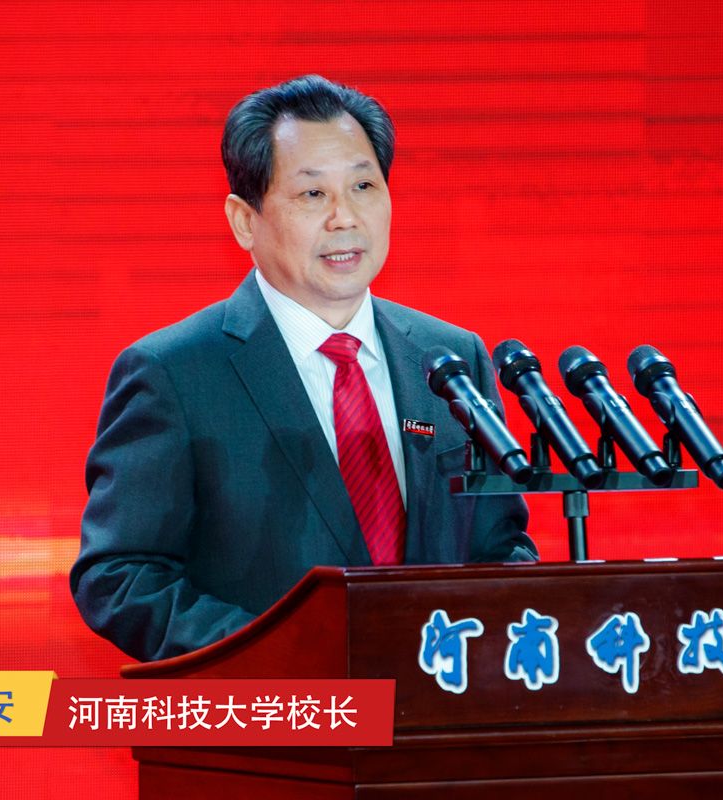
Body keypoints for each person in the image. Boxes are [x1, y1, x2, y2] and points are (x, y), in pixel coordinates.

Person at [71, 75, 535, 663]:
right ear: (244, 220)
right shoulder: (174, 373)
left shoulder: (452, 358)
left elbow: (500, 547)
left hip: (440, 705)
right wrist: (282, 656)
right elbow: (118, 577)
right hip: (286, 710)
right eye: (312, 194)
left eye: (363, 186)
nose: (345, 218)